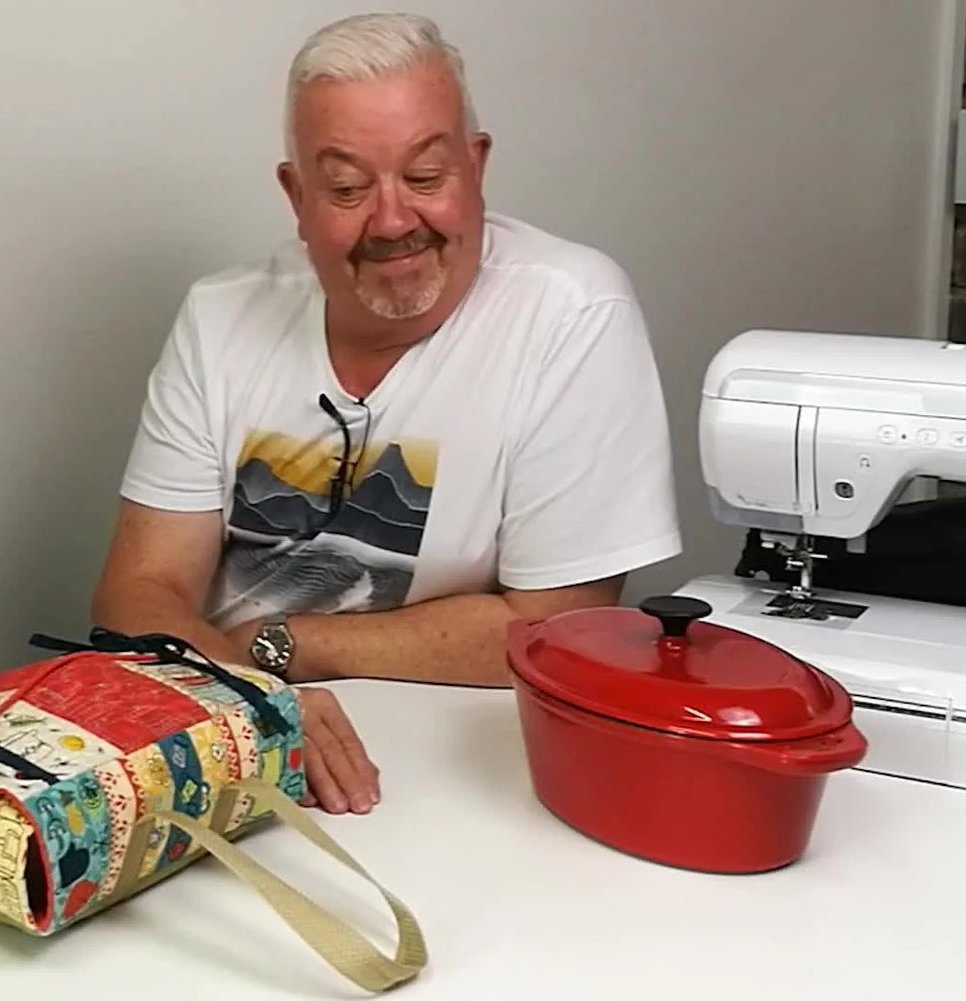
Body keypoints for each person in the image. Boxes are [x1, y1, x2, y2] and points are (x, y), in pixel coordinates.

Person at [91, 13, 682, 815]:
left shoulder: (572, 312)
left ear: (477, 166)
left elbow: (558, 625)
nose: (394, 221)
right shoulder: (220, 315)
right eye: (347, 189)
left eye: (426, 176)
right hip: (232, 735)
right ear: (297, 197)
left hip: (461, 766)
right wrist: (249, 700)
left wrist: (283, 648)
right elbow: (138, 588)